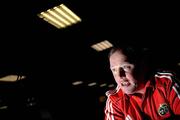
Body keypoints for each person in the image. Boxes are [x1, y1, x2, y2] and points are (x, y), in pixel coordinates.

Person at [104, 44, 180, 120]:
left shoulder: (167, 82)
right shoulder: (114, 100)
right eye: (114, 70)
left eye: (126, 67)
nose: (119, 76)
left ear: (142, 65)